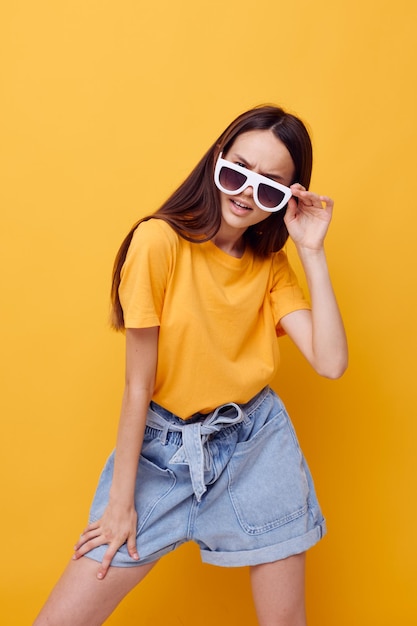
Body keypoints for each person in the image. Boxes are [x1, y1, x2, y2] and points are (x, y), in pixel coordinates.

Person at [34, 104, 348, 626]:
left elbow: (330, 362)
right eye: (237, 171)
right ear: (216, 161)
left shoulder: (273, 266)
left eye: (270, 187)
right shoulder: (158, 243)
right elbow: (138, 386)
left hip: (255, 446)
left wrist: (311, 250)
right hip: (163, 453)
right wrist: (120, 504)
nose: (247, 193)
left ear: (287, 199)